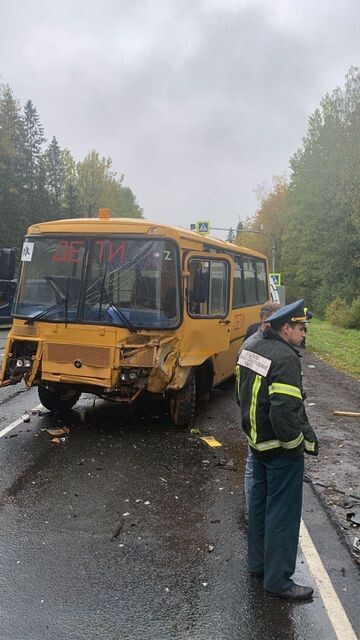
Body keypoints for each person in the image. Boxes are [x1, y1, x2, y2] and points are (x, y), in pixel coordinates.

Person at [236, 299, 318, 601]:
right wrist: (295, 447)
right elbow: (284, 413)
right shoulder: (285, 358)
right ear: (286, 328)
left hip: (257, 444)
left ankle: (258, 566)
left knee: (258, 506)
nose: (304, 334)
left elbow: (239, 393)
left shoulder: (251, 346)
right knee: (283, 513)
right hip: (280, 451)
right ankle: (279, 581)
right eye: (301, 328)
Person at [237, 301, 281, 516]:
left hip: (253, 415)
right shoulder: (252, 346)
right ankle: (251, 514)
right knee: (253, 466)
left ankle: (253, 512)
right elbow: (242, 387)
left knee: (254, 466)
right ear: (265, 321)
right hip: (255, 418)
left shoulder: (256, 343)